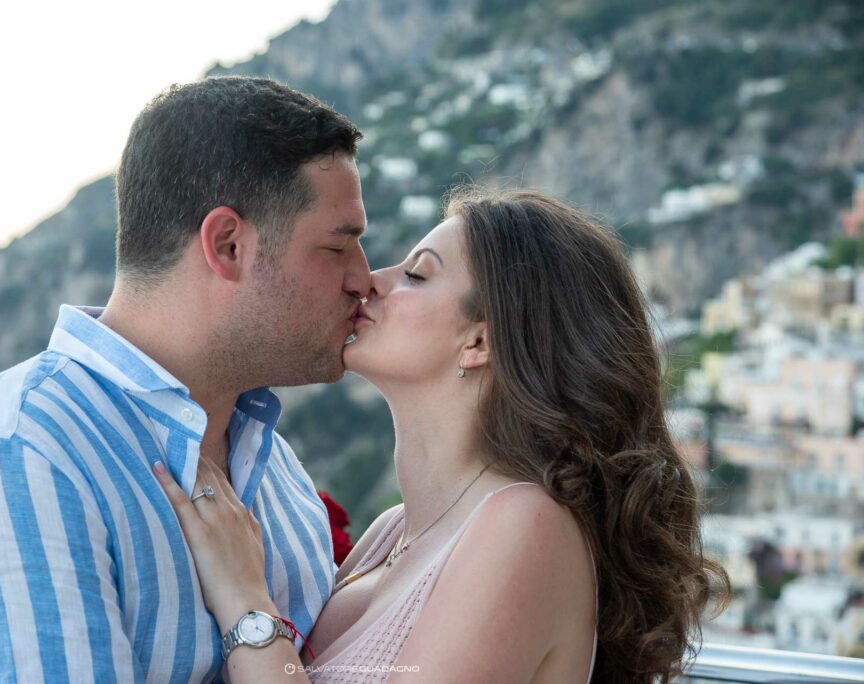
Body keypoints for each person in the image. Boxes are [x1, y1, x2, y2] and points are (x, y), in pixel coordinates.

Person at [0, 76, 370, 682]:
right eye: (338, 247)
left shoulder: (274, 466)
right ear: (227, 245)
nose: (364, 279)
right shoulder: (17, 456)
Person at [154, 187, 731, 683]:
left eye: (416, 274)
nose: (368, 282)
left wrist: (244, 602)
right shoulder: (391, 532)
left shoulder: (526, 526)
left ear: (480, 341)